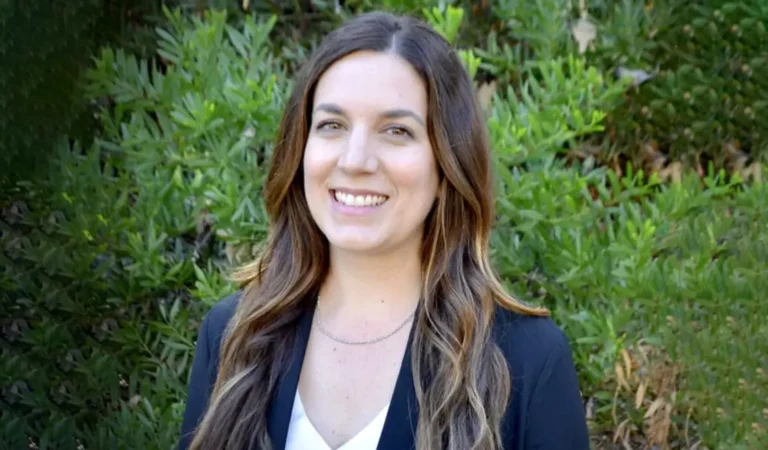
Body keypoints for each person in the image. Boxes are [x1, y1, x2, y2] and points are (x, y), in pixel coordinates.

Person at [178, 10, 590, 450]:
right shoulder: (232, 334)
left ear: (448, 165)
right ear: (300, 150)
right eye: (332, 125)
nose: (355, 160)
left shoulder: (528, 360)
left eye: (396, 131)